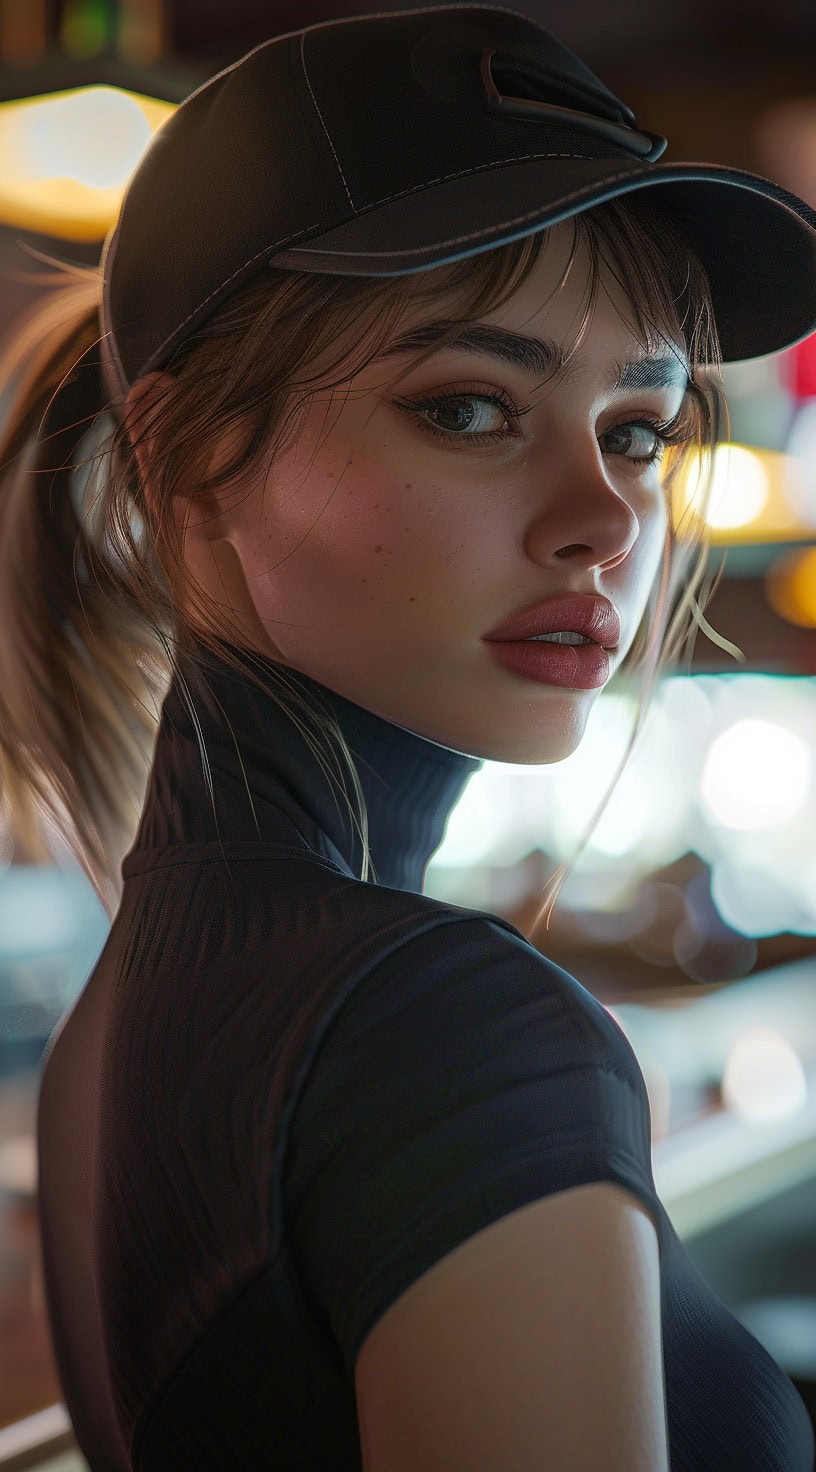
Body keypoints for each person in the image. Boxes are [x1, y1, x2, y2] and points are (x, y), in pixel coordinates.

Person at [1, 5, 814, 1468]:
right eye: (469, 408)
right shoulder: (445, 1022)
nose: (607, 518)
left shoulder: (133, 1010)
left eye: (638, 427)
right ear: (189, 462)